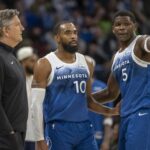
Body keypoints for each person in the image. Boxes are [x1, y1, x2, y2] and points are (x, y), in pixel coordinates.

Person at [31, 21, 119, 150]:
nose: (73, 36)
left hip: (85, 128)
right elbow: (35, 105)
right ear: (57, 38)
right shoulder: (44, 64)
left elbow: (88, 101)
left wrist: (112, 111)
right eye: (67, 33)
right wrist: (39, 140)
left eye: (75, 32)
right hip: (58, 129)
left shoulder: (87, 62)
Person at [92, 10, 150, 150]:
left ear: (135, 26)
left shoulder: (141, 42)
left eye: (126, 24)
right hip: (125, 116)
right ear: (113, 29)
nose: (122, 27)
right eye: (118, 24)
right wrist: (82, 98)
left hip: (143, 112)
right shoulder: (116, 57)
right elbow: (110, 94)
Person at [0, 9, 28, 150]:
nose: (22, 28)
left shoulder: (11, 57)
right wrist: (9, 133)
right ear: (6, 30)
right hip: (5, 138)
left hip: (16, 135)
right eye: (17, 25)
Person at [85, 55, 113, 150]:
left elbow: (108, 118)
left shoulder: (102, 87)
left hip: (98, 137)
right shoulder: (72, 88)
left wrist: (106, 141)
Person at [17, 46, 38, 150]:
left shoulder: (37, 80)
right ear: (23, 62)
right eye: (32, 61)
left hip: (36, 136)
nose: (36, 64)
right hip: (19, 136)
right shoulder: (15, 81)